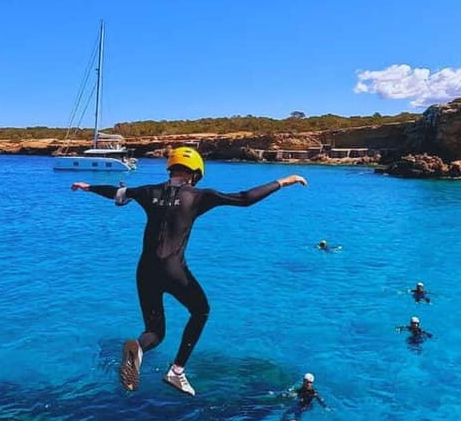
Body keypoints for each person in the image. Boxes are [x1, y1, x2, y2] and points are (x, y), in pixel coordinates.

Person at [71, 146, 308, 396]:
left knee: (154, 331)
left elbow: (116, 192)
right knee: (201, 310)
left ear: (171, 168)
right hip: (173, 270)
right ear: (195, 173)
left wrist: (88, 187)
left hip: (145, 271)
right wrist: (284, 181)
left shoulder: (147, 191)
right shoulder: (198, 195)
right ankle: (177, 371)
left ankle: (138, 349)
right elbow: (245, 198)